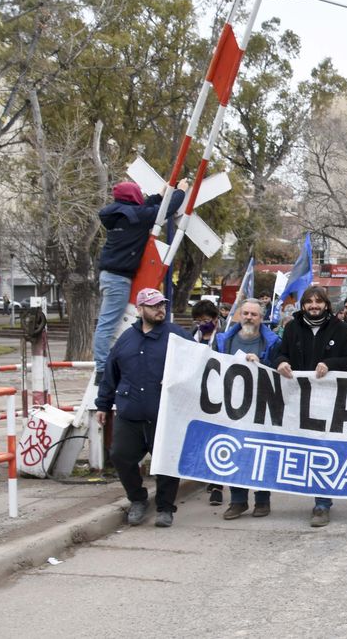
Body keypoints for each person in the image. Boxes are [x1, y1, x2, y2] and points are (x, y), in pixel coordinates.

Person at [94, 288, 191, 528]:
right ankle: (137, 499)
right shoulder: (126, 339)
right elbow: (110, 374)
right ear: (140, 310)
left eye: (162, 304)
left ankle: (165, 508)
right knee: (120, 456)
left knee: (166, 462)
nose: (160, 309)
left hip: (164, 414)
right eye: (154, 305)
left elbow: (200, 363)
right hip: (130, 413)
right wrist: (103, 405)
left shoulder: (177, 336)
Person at [273, 286, 347, 527]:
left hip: (328, 399)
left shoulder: (342, 330)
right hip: (296, 399)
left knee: (322, 448)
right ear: (303, 306)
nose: (313, 305)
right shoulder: (292, 328)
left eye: (318, 301)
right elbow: (280, 354)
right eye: (309, 301)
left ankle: (322, 504)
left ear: (326, 305)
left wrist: (329, 364)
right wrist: (281, 363)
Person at [93, 180, 186, 378]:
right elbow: (164, 211)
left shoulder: (119, 216)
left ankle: (105, 361)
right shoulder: (136, 216)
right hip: (119, 279)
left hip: (111, 276)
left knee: (109, 322)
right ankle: (102, 367)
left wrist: (160, 196)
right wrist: (180, 193)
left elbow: (144, 208)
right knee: (107, 323)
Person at [216, 298, 282, 519]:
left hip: (261, 404)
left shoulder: (272, 342)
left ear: (261, 318)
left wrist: (262, 364)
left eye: (254, 314)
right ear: (238, 315)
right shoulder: (224, 340)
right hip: (231, 406)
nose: (249, 318)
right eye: (245, 313)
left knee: (261, 452)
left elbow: (278, 369)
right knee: (235, 451)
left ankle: (262, 500)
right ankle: (237, 500)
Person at [189, 300, 225, 506]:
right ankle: (208, 476)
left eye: (206, 319)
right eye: (198, 320)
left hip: (218, 395)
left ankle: (217, 486)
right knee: (201, 437)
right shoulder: (191, 337)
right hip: (197, 394)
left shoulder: (223, 338)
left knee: (217, 437)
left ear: (215, 319)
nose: (202, 323)